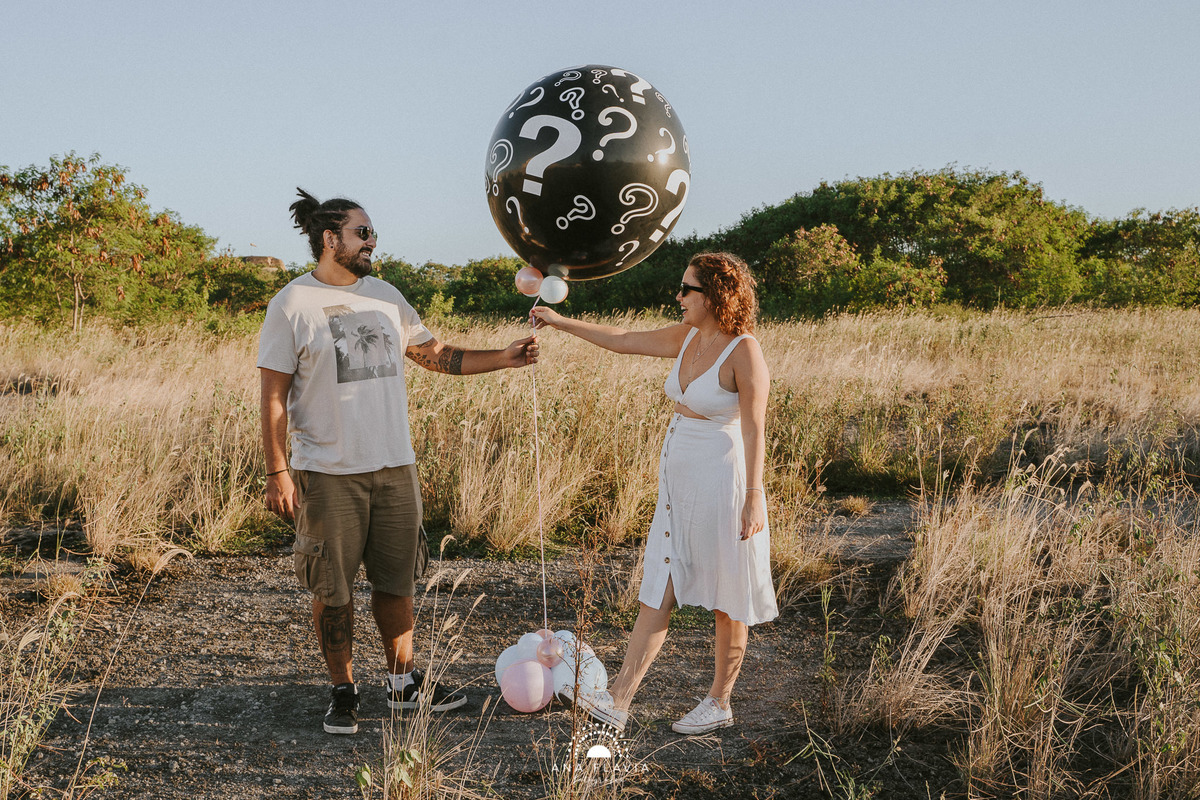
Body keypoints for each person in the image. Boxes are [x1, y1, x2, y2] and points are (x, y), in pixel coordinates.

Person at [258, 189, 539, 735]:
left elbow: (434, 356)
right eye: (362, 233)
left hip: (394, 467)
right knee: (331, 589)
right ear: (329, 239)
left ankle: (403, 686)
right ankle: (343, 691)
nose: (372, 241)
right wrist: (277, 471)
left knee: (398, 582)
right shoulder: (291, 304)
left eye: (373, 233)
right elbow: (273, 396)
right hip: (326, 472)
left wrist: (503, 358)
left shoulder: (388, 295)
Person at [530, 252, 778, 736]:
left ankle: (719, 702)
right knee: (659, 584)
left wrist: (754, 495)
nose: (679, 296)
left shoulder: (744, 351)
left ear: (717, 296)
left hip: (723, 481)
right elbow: (623, 340)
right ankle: (618, 701)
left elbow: (755, 428)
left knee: (730, 594)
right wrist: (560, 322)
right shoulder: (687, 337)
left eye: (688, 289)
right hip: (677, 484)